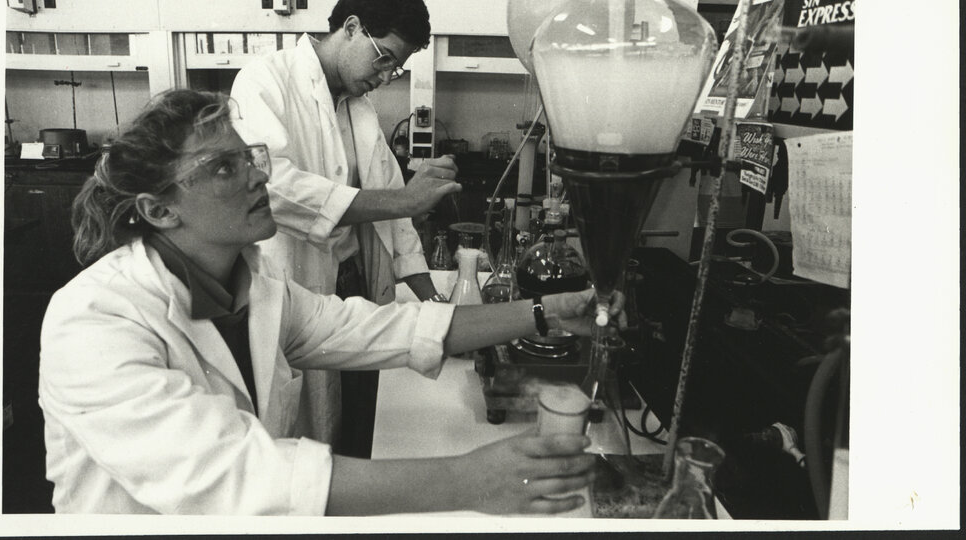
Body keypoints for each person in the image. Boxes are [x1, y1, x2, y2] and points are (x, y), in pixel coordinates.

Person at [39, 89, 624, 515]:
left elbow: (374, 330)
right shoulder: (93, 322)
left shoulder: (257, 288)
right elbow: (231, 475)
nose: (255, 179)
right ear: (160, 210)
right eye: (222, 167)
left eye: (251, 159)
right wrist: (467, 480)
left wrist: (546, 312)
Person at [229, 0, 457, 456]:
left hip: (355, 285)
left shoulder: (359, 107)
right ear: (351, 27)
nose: (386, 75)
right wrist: (405, 201)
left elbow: (394, 210)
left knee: (358, 424)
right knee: (309, 439)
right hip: (299, 284)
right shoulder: (266, 80)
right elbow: (273, 187)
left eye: (396, 68)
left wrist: (433, 300)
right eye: (386, 59)